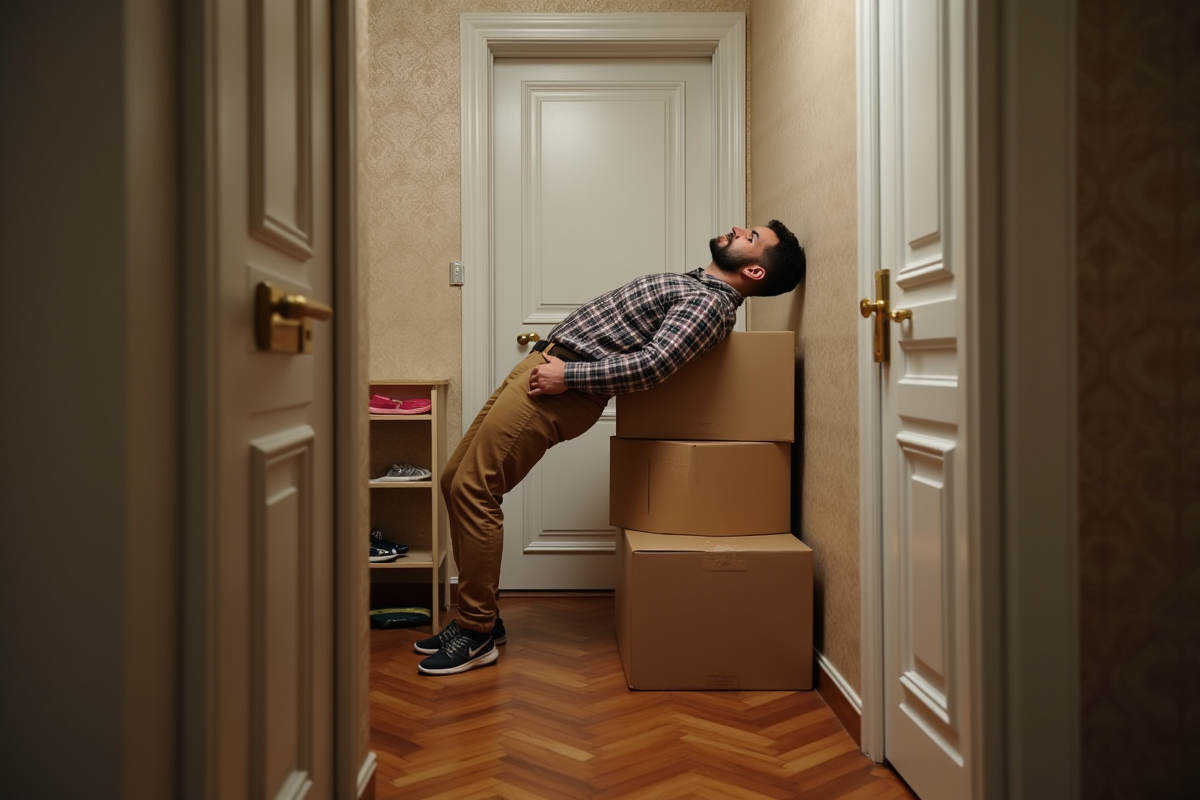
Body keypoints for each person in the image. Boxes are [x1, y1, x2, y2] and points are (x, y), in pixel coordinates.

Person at [414, 221, 806, 675]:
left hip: (561, 388)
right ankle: (481, 616)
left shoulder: (708, 304)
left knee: (474, 489)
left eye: (751, 237)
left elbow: (654, 366)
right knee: (454, 480)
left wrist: (568, 377)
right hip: (544, 372)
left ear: (755, 273)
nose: (738, 229)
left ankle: (476, 631)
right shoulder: (697, 286)